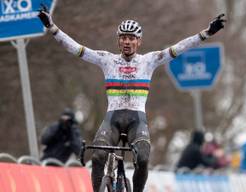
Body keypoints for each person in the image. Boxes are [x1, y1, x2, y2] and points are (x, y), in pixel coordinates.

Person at [38, 5, 226, 192]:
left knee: (143, 158)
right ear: (119, 42)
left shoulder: (149, 60)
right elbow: (76, 49)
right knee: (97, 157)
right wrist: (52, 28)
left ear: (139, 42)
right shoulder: (106, 59)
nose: (127, 42)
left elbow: (178, 48)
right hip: (112, 120)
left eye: (131, 38)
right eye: (123, 38)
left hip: (137, 121)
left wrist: (206, 33)